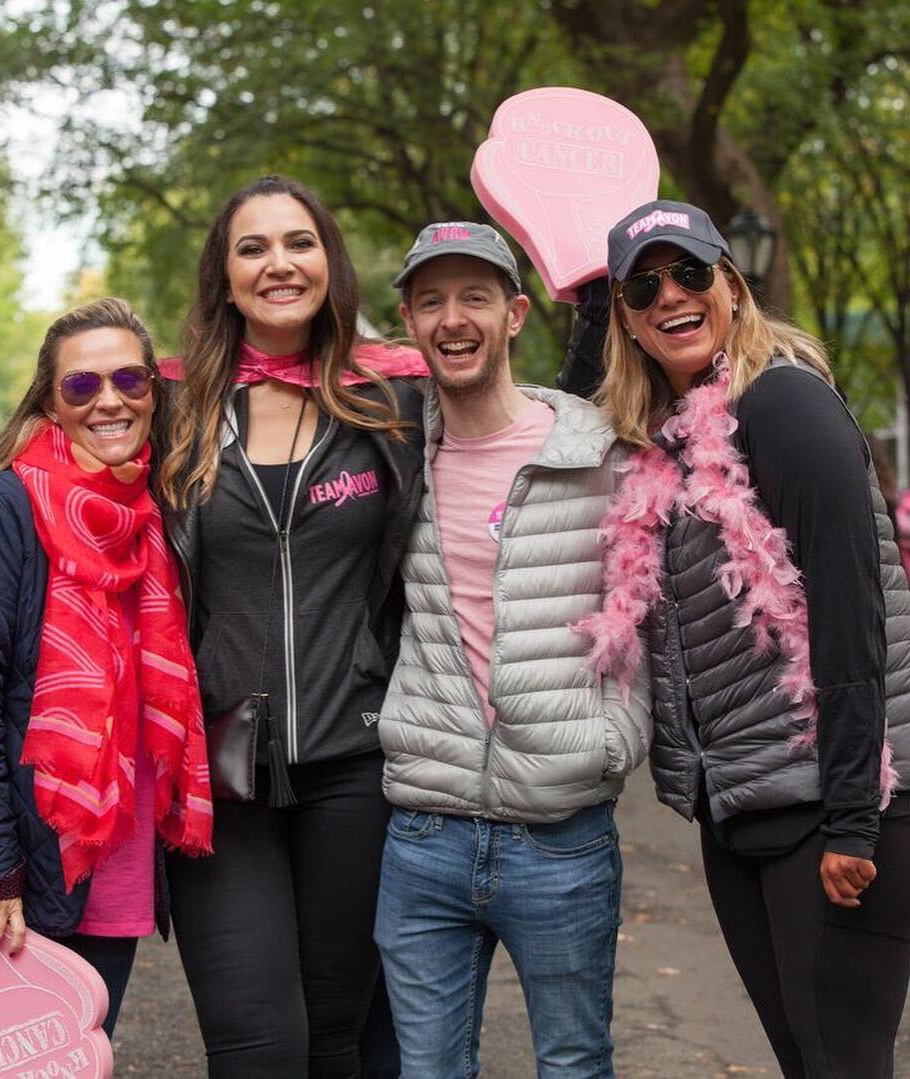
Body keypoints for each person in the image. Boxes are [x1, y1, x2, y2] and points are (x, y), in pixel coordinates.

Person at [583, 198, 910, 1077]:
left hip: (838, 807)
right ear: (623, 317)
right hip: (745, 807)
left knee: (841, 1061)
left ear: (730, 283)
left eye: (689, 271)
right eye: (641, 287)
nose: (670, 296)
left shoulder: (786, 404)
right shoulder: (669, 444)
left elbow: (854, 618)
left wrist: (852, 821)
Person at [0, 298, 214, 1039]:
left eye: (129, 378)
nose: (110, 400)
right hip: (21, 858)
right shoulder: (0, 510)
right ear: (51, 403)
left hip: (115, 855)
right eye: (82, 386)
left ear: (155, 388)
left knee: (80, 1053)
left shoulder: (160, 511)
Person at [157, 174, 428, 1078]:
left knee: (337, 1035)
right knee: (256, 1044)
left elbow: (531, 431)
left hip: (358, 761)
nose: (279, 262)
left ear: (329, 262)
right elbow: (67, 474)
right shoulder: (175, 410)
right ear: (223, 278)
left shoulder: (394, 402)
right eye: (253, 247)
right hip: (217, 772)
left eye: (298, 242)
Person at [373, 221, 653, 1078]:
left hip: (561, 837)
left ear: (516, 312)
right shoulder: (392, 457)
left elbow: (653, 601)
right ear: (411, 325)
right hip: (424, 832)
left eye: (474, 298)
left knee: (573, 1063)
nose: (453, 319)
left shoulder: (598, 450)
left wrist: (614, 742)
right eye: (431, 302)